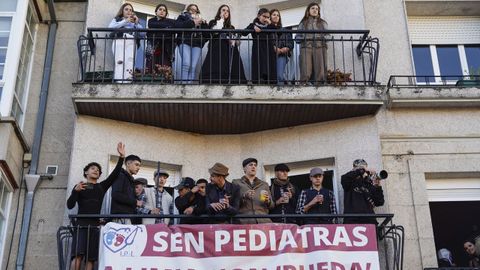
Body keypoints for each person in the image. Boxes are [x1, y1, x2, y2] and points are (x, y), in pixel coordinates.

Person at [67, 142, 125, 270]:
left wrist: (121, 158)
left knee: (91, 259)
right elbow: (70, 205)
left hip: (95, 226)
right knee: (77, 256)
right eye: (93, 168)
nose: (96, 170)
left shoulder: (101, 187)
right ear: (86, 172)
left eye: (98, 170)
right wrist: (75, 191)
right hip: (80, 225)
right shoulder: (80, 187)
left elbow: (114, 175)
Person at [201, 4, 246, 84]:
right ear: (219, 12)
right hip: (217, 48)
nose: (225, 12)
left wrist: (235, 41)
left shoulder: (231, 27)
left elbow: (236, 41)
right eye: (223, 10)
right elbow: (215, 31)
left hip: (229, 49)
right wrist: (221, 19)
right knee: (216, 65)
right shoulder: (213, 22)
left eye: (227, 11)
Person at [341, 159, 385, 224]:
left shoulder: (368, 184)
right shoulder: (348, 182)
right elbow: (345, 178)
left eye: (364, 168)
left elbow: (379, 202)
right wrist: (363, 170)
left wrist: (378, 186)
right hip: (352, 221)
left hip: (369, 222)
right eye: (361, 169)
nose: (364, 171)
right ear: (354, 169)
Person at [108, 3, 143, 82]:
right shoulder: (117, 19)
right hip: (120, 39)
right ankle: (119, 81)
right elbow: (110, 27)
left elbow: (143, 34)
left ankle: (128, 81)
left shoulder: (135, 22)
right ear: (122, 11)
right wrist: (125, 21)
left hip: (132, 40)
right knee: (120, 61)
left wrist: (137, 23)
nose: (129, 11)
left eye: (130, 10)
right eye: (126, 9)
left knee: (130, 61)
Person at [233, 158, 273, 224]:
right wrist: (244, 196)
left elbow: (272, 205)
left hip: (263, 221)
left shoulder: (264, 184)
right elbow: (233, 202)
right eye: (250, 165)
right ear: (244, 168)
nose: (253, 166)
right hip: (244, 221)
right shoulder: (236, 182)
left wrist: (268, 201)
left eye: (255, 165)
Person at [175, 4, 208, 84]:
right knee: (186, 63)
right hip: (185, 41)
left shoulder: (201, 20)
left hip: (197, 44)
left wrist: (204, 24)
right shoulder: (182, 17)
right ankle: (183, 85)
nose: (193, 11)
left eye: (195, 10)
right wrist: (192, 22)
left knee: (193, 66)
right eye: (191, 9)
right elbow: (177, 27)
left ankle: (189, 85)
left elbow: (207, 34)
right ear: (188, 10)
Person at [296, 2, 328, 85]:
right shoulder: (303, 23)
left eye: (317, 9)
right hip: (306, 47)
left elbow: (328, 36)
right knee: (306, 69)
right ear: (308, 10)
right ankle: (304, 84)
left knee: (320, 70)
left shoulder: (322, 23)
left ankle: (319, 85)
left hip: (320, 46)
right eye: (313, 8)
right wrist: (304, 37)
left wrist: (322, 38)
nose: (315, 10)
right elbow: (297, 37)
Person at [244, 8, 277, 84]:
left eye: (268, 17)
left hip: (269, 48)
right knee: (259, 64)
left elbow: (277, 31)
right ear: (259, 16)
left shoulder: (269, 26)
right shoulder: (253, 25)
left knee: (269, 64)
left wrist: (270, 23)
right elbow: (244, 33)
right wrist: (253, 27)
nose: (266, 18)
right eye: (264, 16)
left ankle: (269, 80)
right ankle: (260, 79)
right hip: (258, 48)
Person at [110, 153, 142, 224]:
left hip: (128, 217)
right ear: (128, 164)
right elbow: (116, 195)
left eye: (139, 166)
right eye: (136, 164)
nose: (138, 168)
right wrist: (135, 202)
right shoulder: (120, 176)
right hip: (121, 217)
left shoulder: (131, 180)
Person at [146, 4, 176, 76]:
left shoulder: (170, 22)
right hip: (153, 47)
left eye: (164, 10)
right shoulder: (151, 20)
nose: (162, 11)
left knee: (165, 68)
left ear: (166, 13)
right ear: (156, 12)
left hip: (166, 49)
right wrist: (165, 29)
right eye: (160, 9)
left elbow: (170, 32)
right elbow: (152, 26)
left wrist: (158, 32)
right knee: (151, 67)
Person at [270, 9, 294, 85]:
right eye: (274, 15)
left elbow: (291, 43)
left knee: (279, 75)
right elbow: (266, 42)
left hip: (282, 55)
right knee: (272, 76)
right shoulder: (267, 29)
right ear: (270, 17)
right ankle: (285, 83)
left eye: (278, 15)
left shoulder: (285, 30)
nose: (276, 16)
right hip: (271, 55)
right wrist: (273, 47)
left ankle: (282, 90)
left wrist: (286, 48)